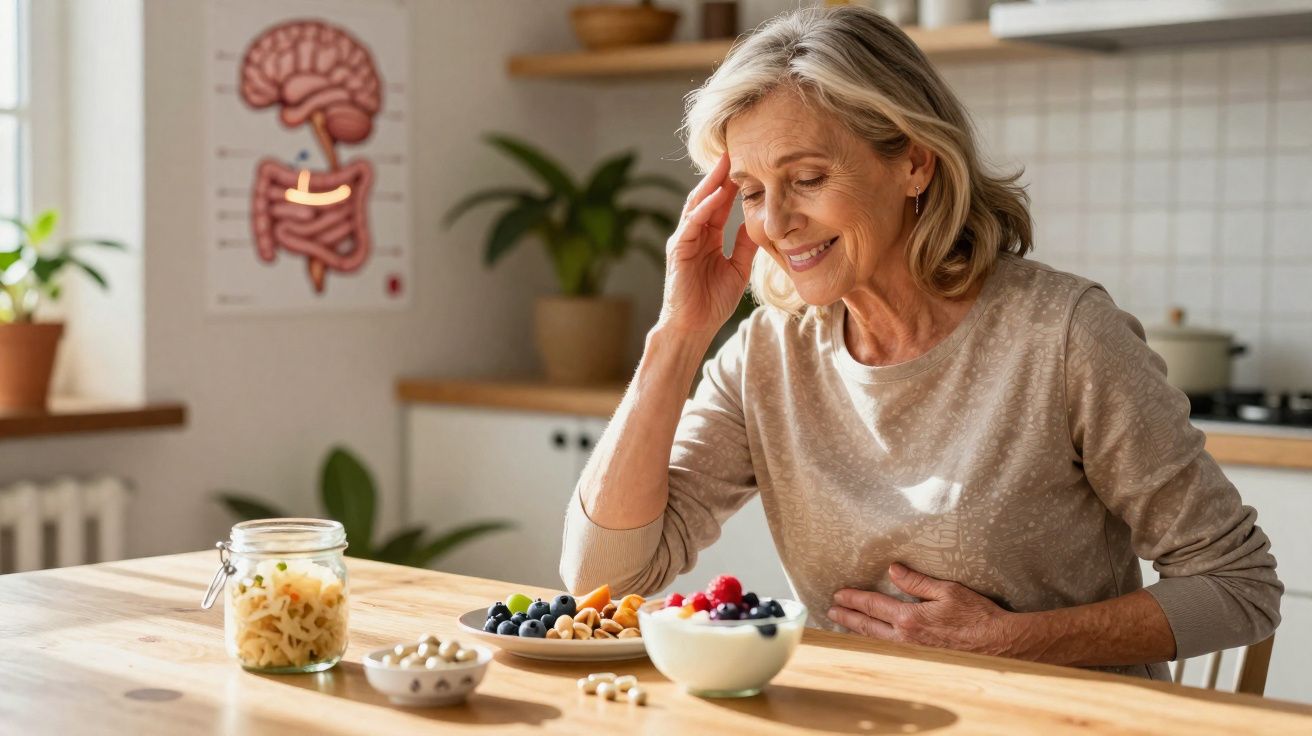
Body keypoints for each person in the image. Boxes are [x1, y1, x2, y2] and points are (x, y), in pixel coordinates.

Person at [559, 5, 1281, 679]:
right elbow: (603, 579)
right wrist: (679, 335)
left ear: (914, 162)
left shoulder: (1063, 334)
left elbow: (1239, 587)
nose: (775, 221)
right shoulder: (768, 354)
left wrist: (1013, 640)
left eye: (807, 178)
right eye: (750, 191)